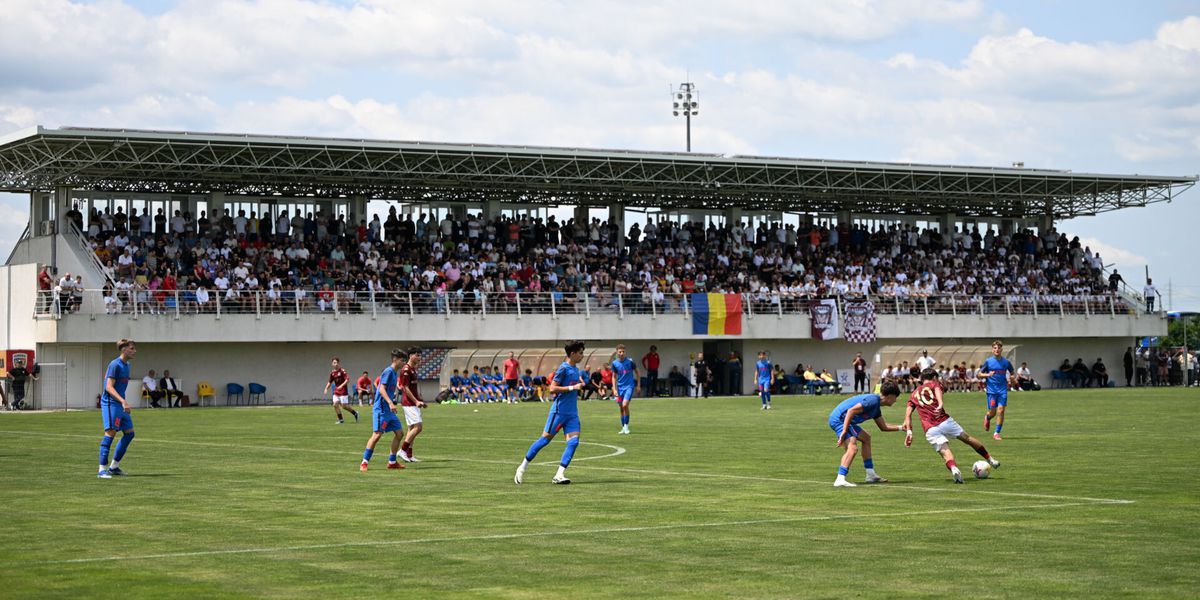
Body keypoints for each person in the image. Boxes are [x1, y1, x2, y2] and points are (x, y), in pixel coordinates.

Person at [903, 369, 1001, 484]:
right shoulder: (934, 383)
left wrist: (909, 432)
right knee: (967, 439)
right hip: (944, 421)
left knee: (945, 451)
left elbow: (907, 415)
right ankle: (991, 459)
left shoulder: (913, 394)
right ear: (934, 377)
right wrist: (940, 403)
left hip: (930, 428)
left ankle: (954, 468)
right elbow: (938, 388)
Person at [514, 340, 588, 485]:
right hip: (559, 412)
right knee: (544, 440)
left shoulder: (575, 369)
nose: (582, 356)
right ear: (572, 354)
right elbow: (552, 388)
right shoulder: (563, 369)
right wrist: (573, 388)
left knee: (573, 443)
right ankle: (522, 468)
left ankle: (559, 475)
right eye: (580, 353)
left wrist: (579, 386)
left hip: (572, 414)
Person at [828, 382, 904, 487]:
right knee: (852, 448)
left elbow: (883, 427)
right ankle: (840, 479)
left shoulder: (876, 407)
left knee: (866, 438)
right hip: (840, 420)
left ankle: (870, 474)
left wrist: (902, 427)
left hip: (846, 421)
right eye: (895, 397)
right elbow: (850, 411)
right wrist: (844, 431)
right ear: (890, 396)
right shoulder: (872, 401)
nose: (896, 400)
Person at [360, 349, 407, 472]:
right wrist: (391, 402)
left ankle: (392, 462)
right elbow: (381, 389)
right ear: (395, 360)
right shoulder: (388, 371)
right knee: (376, 435)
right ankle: (364, 462)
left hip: (389, 411)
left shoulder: (394, 373)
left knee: (399, 433)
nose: (404, 363)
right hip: (381, 410)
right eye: (402, 360)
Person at [98, 339, 137, 478]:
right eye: (132, 348)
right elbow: (108, 387)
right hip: (111, 403)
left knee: (130, 433)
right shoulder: (114, 365)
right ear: (124, 349)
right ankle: (101, 469)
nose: (134, 351)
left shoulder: (127, 365)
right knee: (110, 433)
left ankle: (114, 467)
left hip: (120, 404)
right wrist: (123, 401)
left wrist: (123, 402)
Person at [979, 340, 1016, 440]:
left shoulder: (1006, 362)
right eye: (995, 348)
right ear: (992, 350)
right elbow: (979, 374)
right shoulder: (988, 361)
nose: (997, 350)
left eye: (999, 348)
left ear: (1001, 349)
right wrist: (988, 374)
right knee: (992, 412)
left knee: (1001, 410)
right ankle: (987, 417)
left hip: (1002, 390)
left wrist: (1012, 377)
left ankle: (996, 433)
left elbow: (1012, 372)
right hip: (991, 391)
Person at [397, 347, 428, 462]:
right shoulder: (406, 370)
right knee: (418, 427)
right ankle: (403, 450)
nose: (419, 357)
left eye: (420, 355)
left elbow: (413, 388)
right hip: (409, 403)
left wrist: (419, 400)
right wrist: (415, 401)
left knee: (412, 429)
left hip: (413, 403)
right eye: (417, 355)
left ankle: (409, 455)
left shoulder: (413, 369)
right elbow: (405, 388)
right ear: (411, 356)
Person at [609, 345, 640, 434]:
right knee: (621, 408)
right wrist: (614, 389)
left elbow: (637, 372)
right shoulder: (615, 363)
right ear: (617, 352)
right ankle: (623, 427)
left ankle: (626, 426)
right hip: (619, 389)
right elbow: (614, 377)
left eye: (623, 352)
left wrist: (638, 385)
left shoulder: (630, 362)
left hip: (629, 387)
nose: (622, 353)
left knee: (625, 405)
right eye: (620, 352)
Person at [323, 358, 359, 424]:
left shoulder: (342, 371)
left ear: (338, 363)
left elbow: (347, 380)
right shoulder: (332, 373)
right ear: (332, 364)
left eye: (336, 362)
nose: (335, 364)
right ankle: (341, 420)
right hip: (336, 391)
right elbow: (330, 382)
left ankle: (355, 413)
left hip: (343, 391)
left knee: (344, 406)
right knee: (335, 405)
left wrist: (341, 385)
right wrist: (326, 388)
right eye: (334, 362)